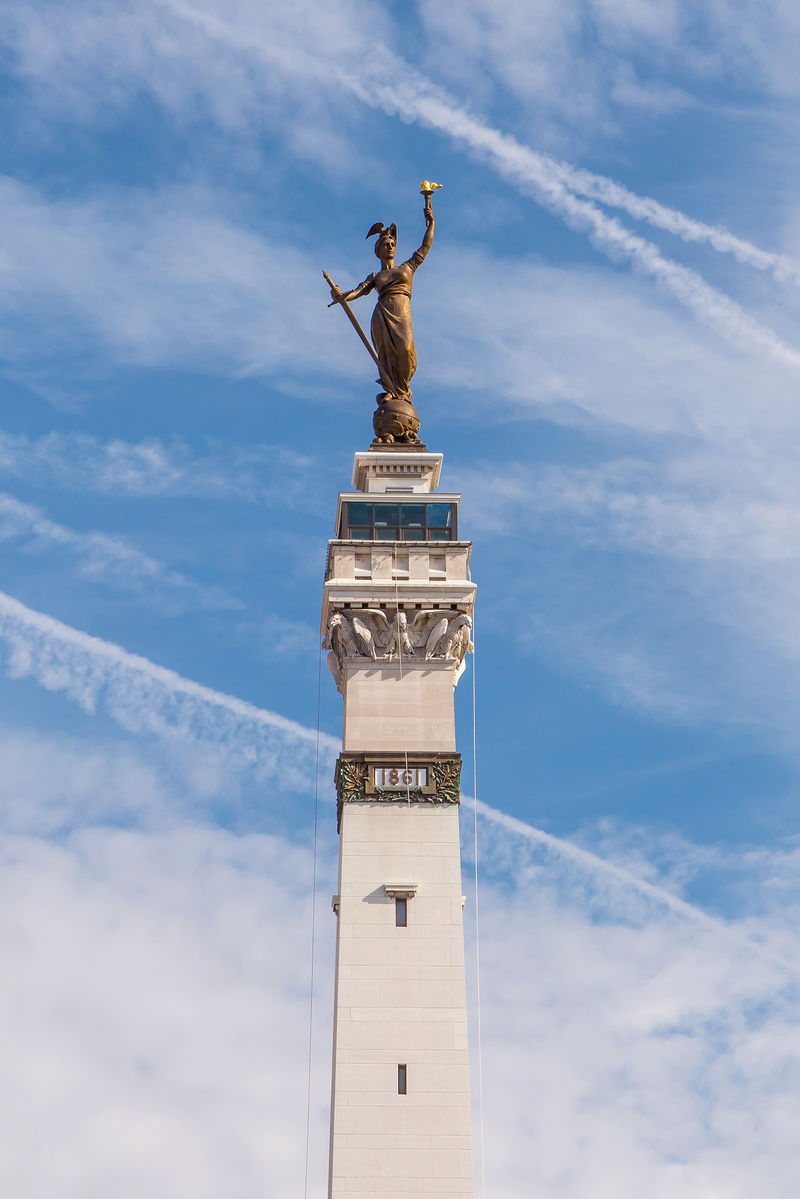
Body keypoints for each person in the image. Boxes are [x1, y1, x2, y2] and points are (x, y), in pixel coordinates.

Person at [330, 203, 434, 401]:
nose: (391, 246)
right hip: (382, 315)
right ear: (378, 250)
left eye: (393, 244)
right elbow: (358, 292)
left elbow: (425, 247)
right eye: (386, 244)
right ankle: (392, 391)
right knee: (386, 355)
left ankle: (402, 391)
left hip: (402, 312)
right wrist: (340, 297)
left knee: (405, 351)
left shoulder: (408, 267)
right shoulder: (375, 276)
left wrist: (431, 224)